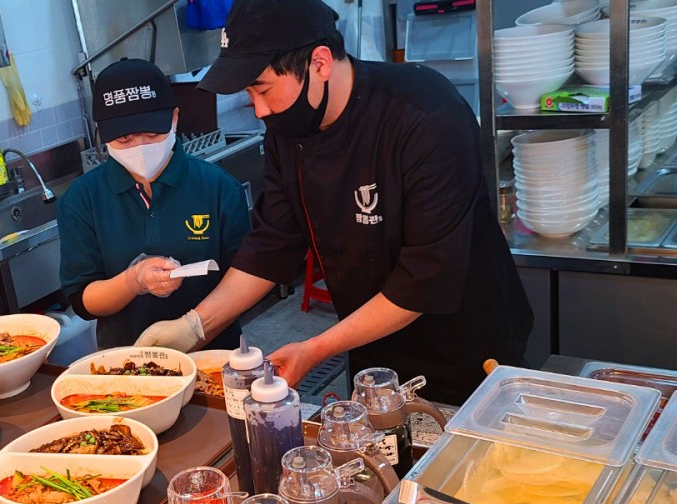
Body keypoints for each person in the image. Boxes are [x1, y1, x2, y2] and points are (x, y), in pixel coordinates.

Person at [135, 0, 533, 405]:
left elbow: (425, 277)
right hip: (370, 343)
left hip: (466, 349)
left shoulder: (426, 114)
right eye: (250, 94)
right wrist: (194, 326)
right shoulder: (288, 128)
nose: (259, 110)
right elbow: (272, 244)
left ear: (320, 63)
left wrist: (315, 348)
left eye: (263, 89)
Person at [57, 58, 252, 350]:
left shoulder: (218, 188)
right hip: (128, 360)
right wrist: (133, 281)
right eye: (125, 139)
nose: (140, 147)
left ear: (174, 118)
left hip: (214, 353)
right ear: (103, 133)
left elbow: (245, 280)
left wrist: (195, 329)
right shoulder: (82, 199)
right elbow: (83, 301)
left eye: (152, 134)